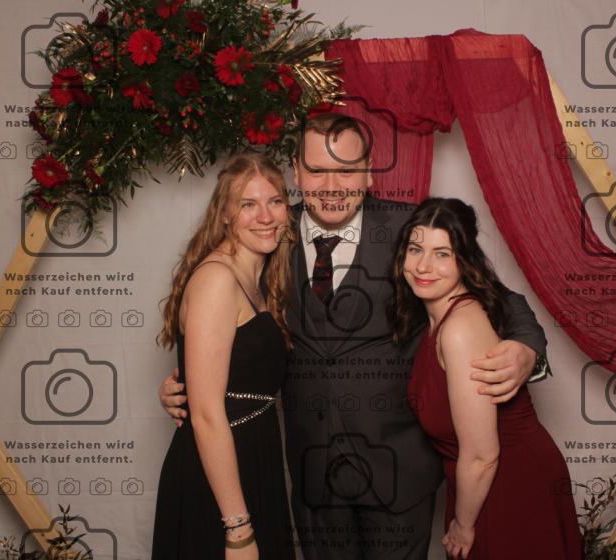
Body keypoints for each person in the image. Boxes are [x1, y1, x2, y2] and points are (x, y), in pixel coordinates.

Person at [158, 113, 552, 559]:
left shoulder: (408, 231)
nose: (331, 186)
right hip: (313, 479)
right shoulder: (268, 234)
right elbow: (231, 330)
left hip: (399, 476)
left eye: (346, 171)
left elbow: (501, 298)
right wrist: (188, 386)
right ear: (296, 171)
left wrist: (527, 350)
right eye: (317, 170)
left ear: (368, 173)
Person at [396, 197, 582, 559]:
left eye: (442, 254)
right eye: (416, 249)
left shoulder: (459, 328)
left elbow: (482, 454)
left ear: (466, 260)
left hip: (508, 485)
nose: (423, 266)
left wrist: (464, 524)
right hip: (476, 485)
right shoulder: (436, 316)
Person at [151, 153, 296, 559]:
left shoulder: (258, 277)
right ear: (226, 215)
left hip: (252, 458)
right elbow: (207, 413)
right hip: (216, 476)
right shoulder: (217, 279)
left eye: (275, 201)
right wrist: (238, 528)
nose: (265, 216)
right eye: (248, 204)